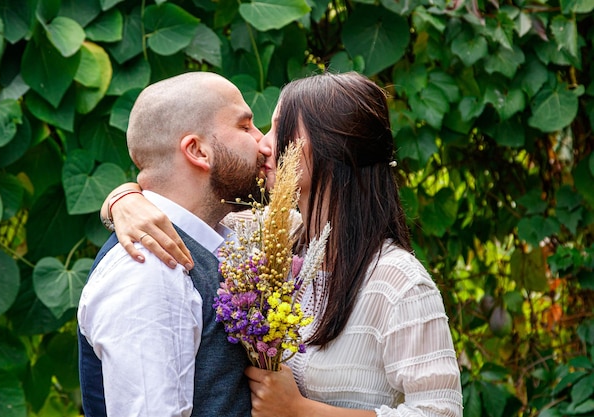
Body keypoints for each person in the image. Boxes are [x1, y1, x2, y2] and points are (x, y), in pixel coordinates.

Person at [101, 71, 463, 417]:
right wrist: (124, 200)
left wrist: (302, 412)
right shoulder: (276, 238)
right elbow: (186, 211)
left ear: (326, 147)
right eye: (255, 127)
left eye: (280, 129)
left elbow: (440, 411)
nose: (263, 143)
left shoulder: (397, 281)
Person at [77, 71, 266, 417]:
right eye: (245, 127)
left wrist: (120, 198)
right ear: (197, 150)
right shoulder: (149, 270)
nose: (263, 143)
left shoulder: (226, 240)